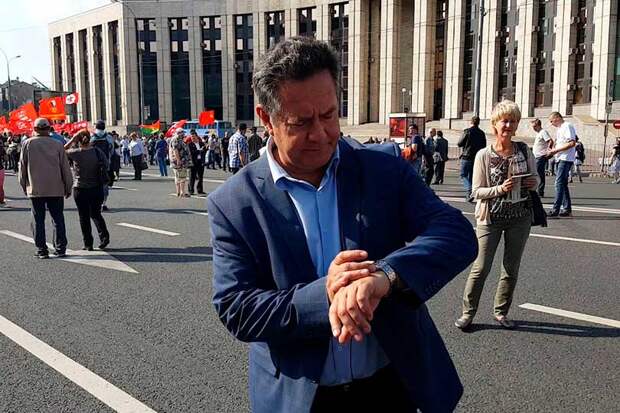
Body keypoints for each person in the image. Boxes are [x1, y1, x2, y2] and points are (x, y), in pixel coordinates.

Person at [208, 36, 477, 413]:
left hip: (391, 386)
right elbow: (237, 306)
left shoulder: (383, 169)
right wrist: (326, 294)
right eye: (301, 122)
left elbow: (455, 233)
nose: (320, 134)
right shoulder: (234, 202)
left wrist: (385, 276)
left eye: (329, 115)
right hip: (303, 399)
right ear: (266, 118)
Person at [455, 100, 539, 331]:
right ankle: (468, 313)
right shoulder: (484, 155)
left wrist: (533, 182)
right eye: (504, 121)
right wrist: (500, 189)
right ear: (495, 124)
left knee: (511, 268)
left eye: (513, 121)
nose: (508, 125)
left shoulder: (524, 151)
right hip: (490, 218)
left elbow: (536, 179)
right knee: (481, 268)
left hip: (520, 217)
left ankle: (501, 312)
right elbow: (476, 192)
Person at [18, 118, 73, 259]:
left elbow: (22, 166)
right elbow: (65, 168)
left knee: (38, 220)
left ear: (35, 129)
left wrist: (23, 185)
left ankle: (41, 249)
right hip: (56, 187)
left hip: (36, 188)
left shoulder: (28, 143)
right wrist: (68, 186)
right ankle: (60, 248)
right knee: (58, 219)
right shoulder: (58, 144)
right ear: (49, 129)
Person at [64, 129, 110, 251]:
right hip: (96, 187)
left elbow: (62, 150)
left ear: (78, 140)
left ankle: (88, 243)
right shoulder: (97, 151)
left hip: (80, 188)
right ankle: (104, 237)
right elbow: (106, 165)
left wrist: (72, 139)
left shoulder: (76, 152)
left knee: (83, 216)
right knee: (96, 214)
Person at [546, 112, 577, 217]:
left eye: (551, 121)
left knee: (558, 183)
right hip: (561, 158)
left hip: (565, 158)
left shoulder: (567, 126)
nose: (551, 123)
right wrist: (553, 151)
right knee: (562, 184)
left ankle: (556, 209)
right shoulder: (560, 129)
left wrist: (555, 150)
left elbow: (572, 143)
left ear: (557, 118)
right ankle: (567, 208)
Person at [458, 115, 487, 202]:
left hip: (467, 157)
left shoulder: (467, 131)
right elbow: (484, 146)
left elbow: (459, 143)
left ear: (471, 122)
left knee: (463, 175)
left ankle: (469, 189)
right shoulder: (481, 133)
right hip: (476, 157)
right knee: (471, 176)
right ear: (478, 123)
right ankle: (469, 195)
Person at [90, 120, 114, 211]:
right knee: (104, 183)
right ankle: (103, 203)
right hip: (105, 164)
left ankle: (94, 202)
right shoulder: (108, 137)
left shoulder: (92, 137)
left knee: (93, 183)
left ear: (96, 127)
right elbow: (112, 151)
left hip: (93, 164)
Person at [531, 118, 553, 197]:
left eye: (534, 126)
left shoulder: (543, 132)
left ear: (538, 125)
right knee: (538, 173)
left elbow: (550, 141)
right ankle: (539, 191)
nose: (533, 128)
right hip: (537, 156)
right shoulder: (539, 133)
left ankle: (539, 191)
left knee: (539, 174)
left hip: (540, 156)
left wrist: (548, 150)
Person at [169, 129, 191, 197]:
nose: (183, 134)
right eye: (182, 133)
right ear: (179, 133)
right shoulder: (176, 139)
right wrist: (178, 160)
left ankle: (178, 192)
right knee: (182, 177)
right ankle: (182, 192)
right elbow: (175, 150)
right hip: (180, 161)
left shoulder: (178, 139)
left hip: (177, 161)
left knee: (178, 177)